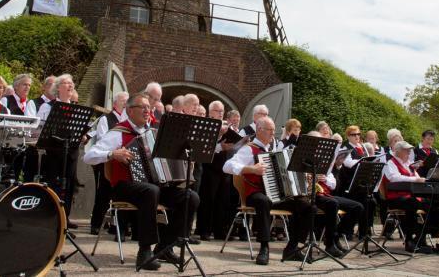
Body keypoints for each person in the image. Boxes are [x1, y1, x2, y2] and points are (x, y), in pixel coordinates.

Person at [84, 93, 200, 270]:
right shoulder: (118, 132)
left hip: (154, 186)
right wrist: (112, 154)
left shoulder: (154, 131)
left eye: (149, 107)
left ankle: (165, 247)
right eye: (143, 107)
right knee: (150, 191)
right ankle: (144, 251)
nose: (148, 110)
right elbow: (89, 156)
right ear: (130, 110)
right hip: (124, 186)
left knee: (190, 197)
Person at [223, 116, 312, 265]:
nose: (273, 133)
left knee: (307, 206)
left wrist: (303, 178)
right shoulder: (249, 149)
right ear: (259, 130)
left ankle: (293, 247)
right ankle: (264, 247)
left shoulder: (276, 150)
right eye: (269, 130)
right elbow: (227, 166)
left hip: (277, 195)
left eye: (274, 130)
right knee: (263, 201)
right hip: (255, 194)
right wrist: (250, 168)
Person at [307, 130, 362, 257]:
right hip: (309, 194)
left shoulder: (324, 158)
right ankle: (330, 244)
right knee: (332, 203)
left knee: (358, 207)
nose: (319, 144)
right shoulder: (303, 157)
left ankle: (336, 234)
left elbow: (333, 183)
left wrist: (325, 179)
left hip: (325, 193)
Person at [381, 140, 439, 253]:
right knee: (412, 203)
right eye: (406, 150)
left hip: (410, 197)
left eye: (409, 150)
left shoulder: (409, 165)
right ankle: (410, 239)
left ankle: (421, 237)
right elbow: (394, 178)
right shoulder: (390, 163)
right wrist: (416, 179)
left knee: (437, 206)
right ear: (398, 151)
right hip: (395, 198)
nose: (409, 153)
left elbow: (418, 178)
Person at [36, 74, 81, 224]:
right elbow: (41, 130)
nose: (70, 85)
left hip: (71, 152)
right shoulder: (47, 106)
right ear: (58, 88)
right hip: (54, 151)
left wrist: (82, 135)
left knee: (69, 185)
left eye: (71, 82)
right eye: (66, 83)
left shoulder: (76, 109)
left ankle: (65, 219)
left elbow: (78, 130)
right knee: (53, 184)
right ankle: (51, 217)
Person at [87, 91, 129, 235]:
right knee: (103, 193)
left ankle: (115, 226)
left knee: (119, 194)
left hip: (122, 162)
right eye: (123, 101)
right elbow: (102, 139)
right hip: (107, 161)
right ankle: (96, 224)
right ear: (115, 103)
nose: (125, 104)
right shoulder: (105, 119)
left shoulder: (127, 120)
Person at [196, 100, 233, 241]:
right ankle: (204, 230)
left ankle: (219, 230)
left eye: (222, 110)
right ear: (210, 112)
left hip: (224, 166)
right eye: (218, 110)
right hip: (209, 167)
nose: (221, 113)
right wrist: (218, 136)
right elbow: (204, 146)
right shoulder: (206, 125)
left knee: (222, 200)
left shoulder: (226, 125)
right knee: (208, 199)